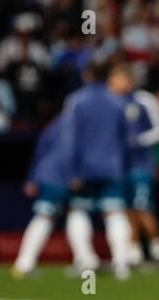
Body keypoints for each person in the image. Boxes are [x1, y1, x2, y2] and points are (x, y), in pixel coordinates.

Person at [58, 62, 137, 278]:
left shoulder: (76, 101)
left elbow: (68, 139)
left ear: (87, 74)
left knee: (77, 210)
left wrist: (71, 170)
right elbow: (127, 140)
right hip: (112, 167)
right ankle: (121, 264)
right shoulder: (118, 102)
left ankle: (85, 262)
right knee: (114, 212)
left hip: (84, 167)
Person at [11, 113, 69, 277]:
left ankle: (85, 260)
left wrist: (33, 177)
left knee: (70, 212)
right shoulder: (76, 123)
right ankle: (24, 263)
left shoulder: (55, 123)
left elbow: (40, 150)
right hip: (59, 176)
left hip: (46, 175)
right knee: (46, 216)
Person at [124, 83, 159, 267]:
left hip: (142, 165)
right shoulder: (114, 99)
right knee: (128, 210)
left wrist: (139, 140)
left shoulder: (144, 99)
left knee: (142, 208)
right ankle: (134, 252)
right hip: (122, 167)